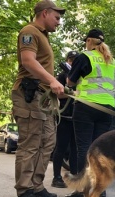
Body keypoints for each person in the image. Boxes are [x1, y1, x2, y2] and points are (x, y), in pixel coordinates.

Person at [11, 0, 65, 197]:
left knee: (47, 142)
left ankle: (36, 185)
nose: (59, 22)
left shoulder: (44, 36)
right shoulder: (29, 31)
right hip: (29, 94)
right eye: (57, 18)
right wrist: (52, 80)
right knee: (31, 144)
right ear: (45, 13)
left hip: (44, 98)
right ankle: (24, 191)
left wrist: (55, 88)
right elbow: (28, 61)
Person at [65, 28, 115, 197]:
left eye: (85, 41)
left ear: (89, 41)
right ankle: (100, 188)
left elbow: (70, 81)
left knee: (84, 148)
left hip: (86, 107)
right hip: (106, 109)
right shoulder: (112, 61)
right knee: (100, 150)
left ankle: (83, 189)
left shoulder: (84, 57)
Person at [51, 50, 79, 188]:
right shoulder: (62, 76)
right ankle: (56, 177)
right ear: (67, 61)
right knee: (61, 147)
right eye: (71, 60)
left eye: (75, 60)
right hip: (64, 116)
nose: (72, 62)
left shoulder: (81, 76)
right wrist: (74, 93)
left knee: (75, 149)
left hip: (77, 117)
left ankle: (74, 176)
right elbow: (58, 94)